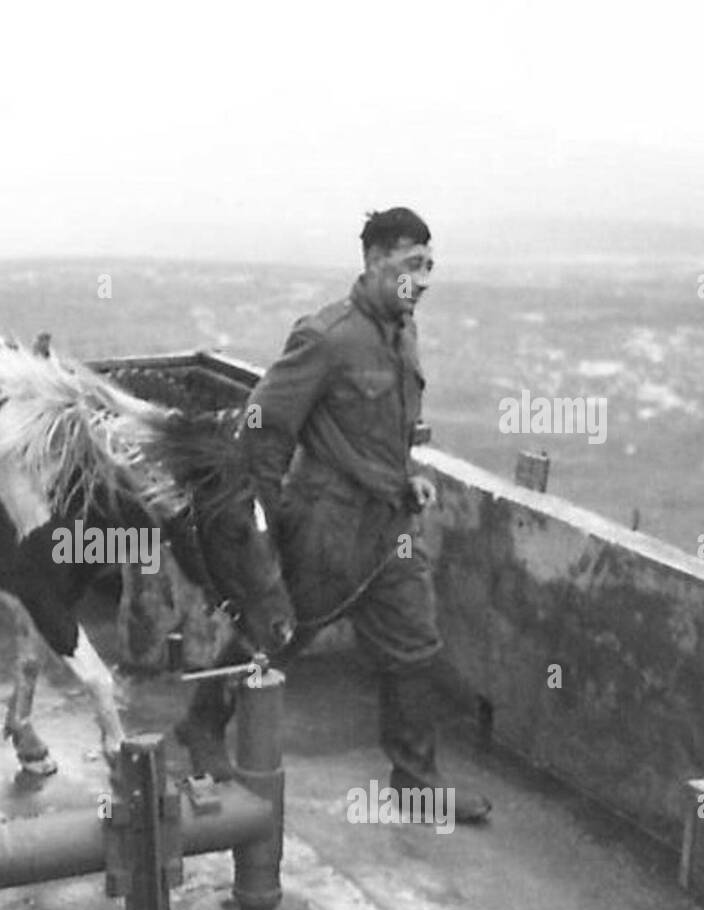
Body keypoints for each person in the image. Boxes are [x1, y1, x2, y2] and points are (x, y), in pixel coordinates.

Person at [176, 206, 491, 823]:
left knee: (414, 648)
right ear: (373, 262)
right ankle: (202, 725)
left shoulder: (403, 332)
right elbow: (263, 429)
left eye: (428, 265)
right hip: (327, 527)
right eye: (408, 265)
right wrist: (259, 530)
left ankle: (414, 781)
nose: (421, 279)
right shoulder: (327, 336)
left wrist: (408, 478)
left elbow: (383, 432)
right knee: (275, 638)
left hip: (389, 528)